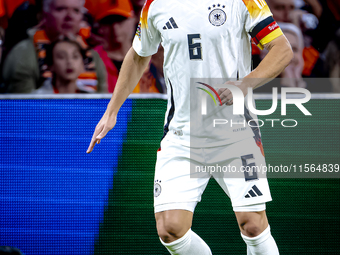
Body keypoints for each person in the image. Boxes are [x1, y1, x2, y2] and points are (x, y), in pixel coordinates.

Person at [87, 0, 293, 254]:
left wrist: (245, 84)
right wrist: (112, 111)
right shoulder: (155, 5)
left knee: (252, 224)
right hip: (181, 135)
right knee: (170, 230)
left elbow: (282, 49)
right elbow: (139, 55)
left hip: (236, 133)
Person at [2, 0, 107, 93]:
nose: (69, 17)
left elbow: (103, 104)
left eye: (76, 10)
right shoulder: (23, 53)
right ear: (44, 15)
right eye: (61, 9)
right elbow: (23, 109)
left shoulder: (93, 56)